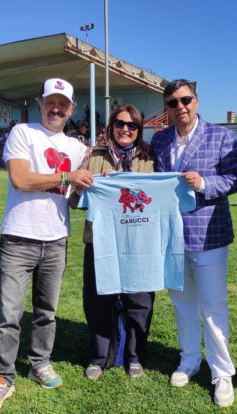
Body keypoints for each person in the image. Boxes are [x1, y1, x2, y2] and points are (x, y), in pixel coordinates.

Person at [0, 78, 94, 414]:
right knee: (8, 315)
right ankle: (2, 378)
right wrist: (68, 177)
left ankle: (39, 363)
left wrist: (89, 183)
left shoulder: (77, 148)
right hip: (18, 237)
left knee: (47, 312)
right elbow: (20, 179)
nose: (56, 109)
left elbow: (74, 198)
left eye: (63, 104)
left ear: (71, 109)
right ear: (40, 104)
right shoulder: (22, 133)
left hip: (56, 238)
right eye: (50, 102)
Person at [151, 79, 237, 407]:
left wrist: (204, 183)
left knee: (213, 307)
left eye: (185, 100)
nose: (180, 107)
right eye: (173, 103)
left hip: (209, 234)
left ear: (196, 101)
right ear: (167, 108)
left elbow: (236, 178)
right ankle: (189, 359)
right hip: (173, 236)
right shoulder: (160, 140)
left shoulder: (221, 136)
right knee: (182, 303)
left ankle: (222, 372)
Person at [71, 105, 155, 380]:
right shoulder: (93, 158)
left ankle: (134, 356)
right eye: (119, 123)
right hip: (100, 242)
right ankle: (99, 357)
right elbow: (74, 202)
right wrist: (82, 188)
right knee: (98, 301)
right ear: (110, 126)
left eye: (132, 126)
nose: (125, 129)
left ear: (139, 130)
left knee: (139, 301)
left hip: (138, 243)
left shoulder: (150, 159)